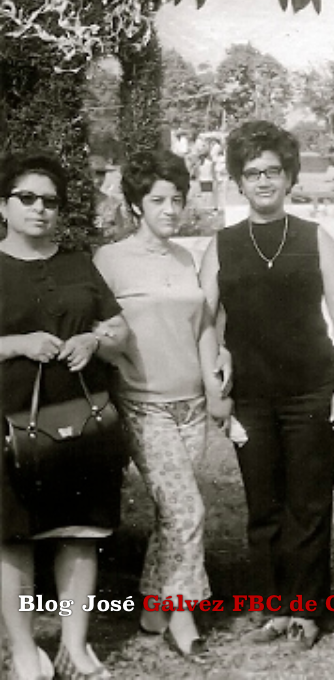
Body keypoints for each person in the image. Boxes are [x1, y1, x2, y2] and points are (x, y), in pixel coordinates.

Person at [200, 121, 334, 649]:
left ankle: (308, 610)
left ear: (289, 177)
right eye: (252, 173)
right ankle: (273, 605)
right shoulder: (222, 245)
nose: (264, 180)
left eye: (273, 170)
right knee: (263, 503)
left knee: (308, 503)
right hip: (250, 396)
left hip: (313, 388)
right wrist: (216, 382)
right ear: (239, 182)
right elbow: (204, 321)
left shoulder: (317, 238)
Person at [94, 152, 231, 662]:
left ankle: (153, 605)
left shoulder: (183, 258)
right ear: (136, 205)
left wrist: (214, 385)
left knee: (172, 513)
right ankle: (183, 614)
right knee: (187, 509)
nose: (171, 209)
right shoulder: (110, 261)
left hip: (190, 403)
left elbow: (202, 326)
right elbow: (98, 329)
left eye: (177, 199)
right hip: (143, 405)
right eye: (158, 200)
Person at [0, 153, 129, 680]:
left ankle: (74, 647)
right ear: (3, 206)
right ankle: (23, 650)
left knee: (80, 533)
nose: (40, 209)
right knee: (12, 537)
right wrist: (17, 344)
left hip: (81, 420)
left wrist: (94, 340)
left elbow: (120, 331)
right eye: (27, 198)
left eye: (50, 201)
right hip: (11, 425)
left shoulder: (78, 264)